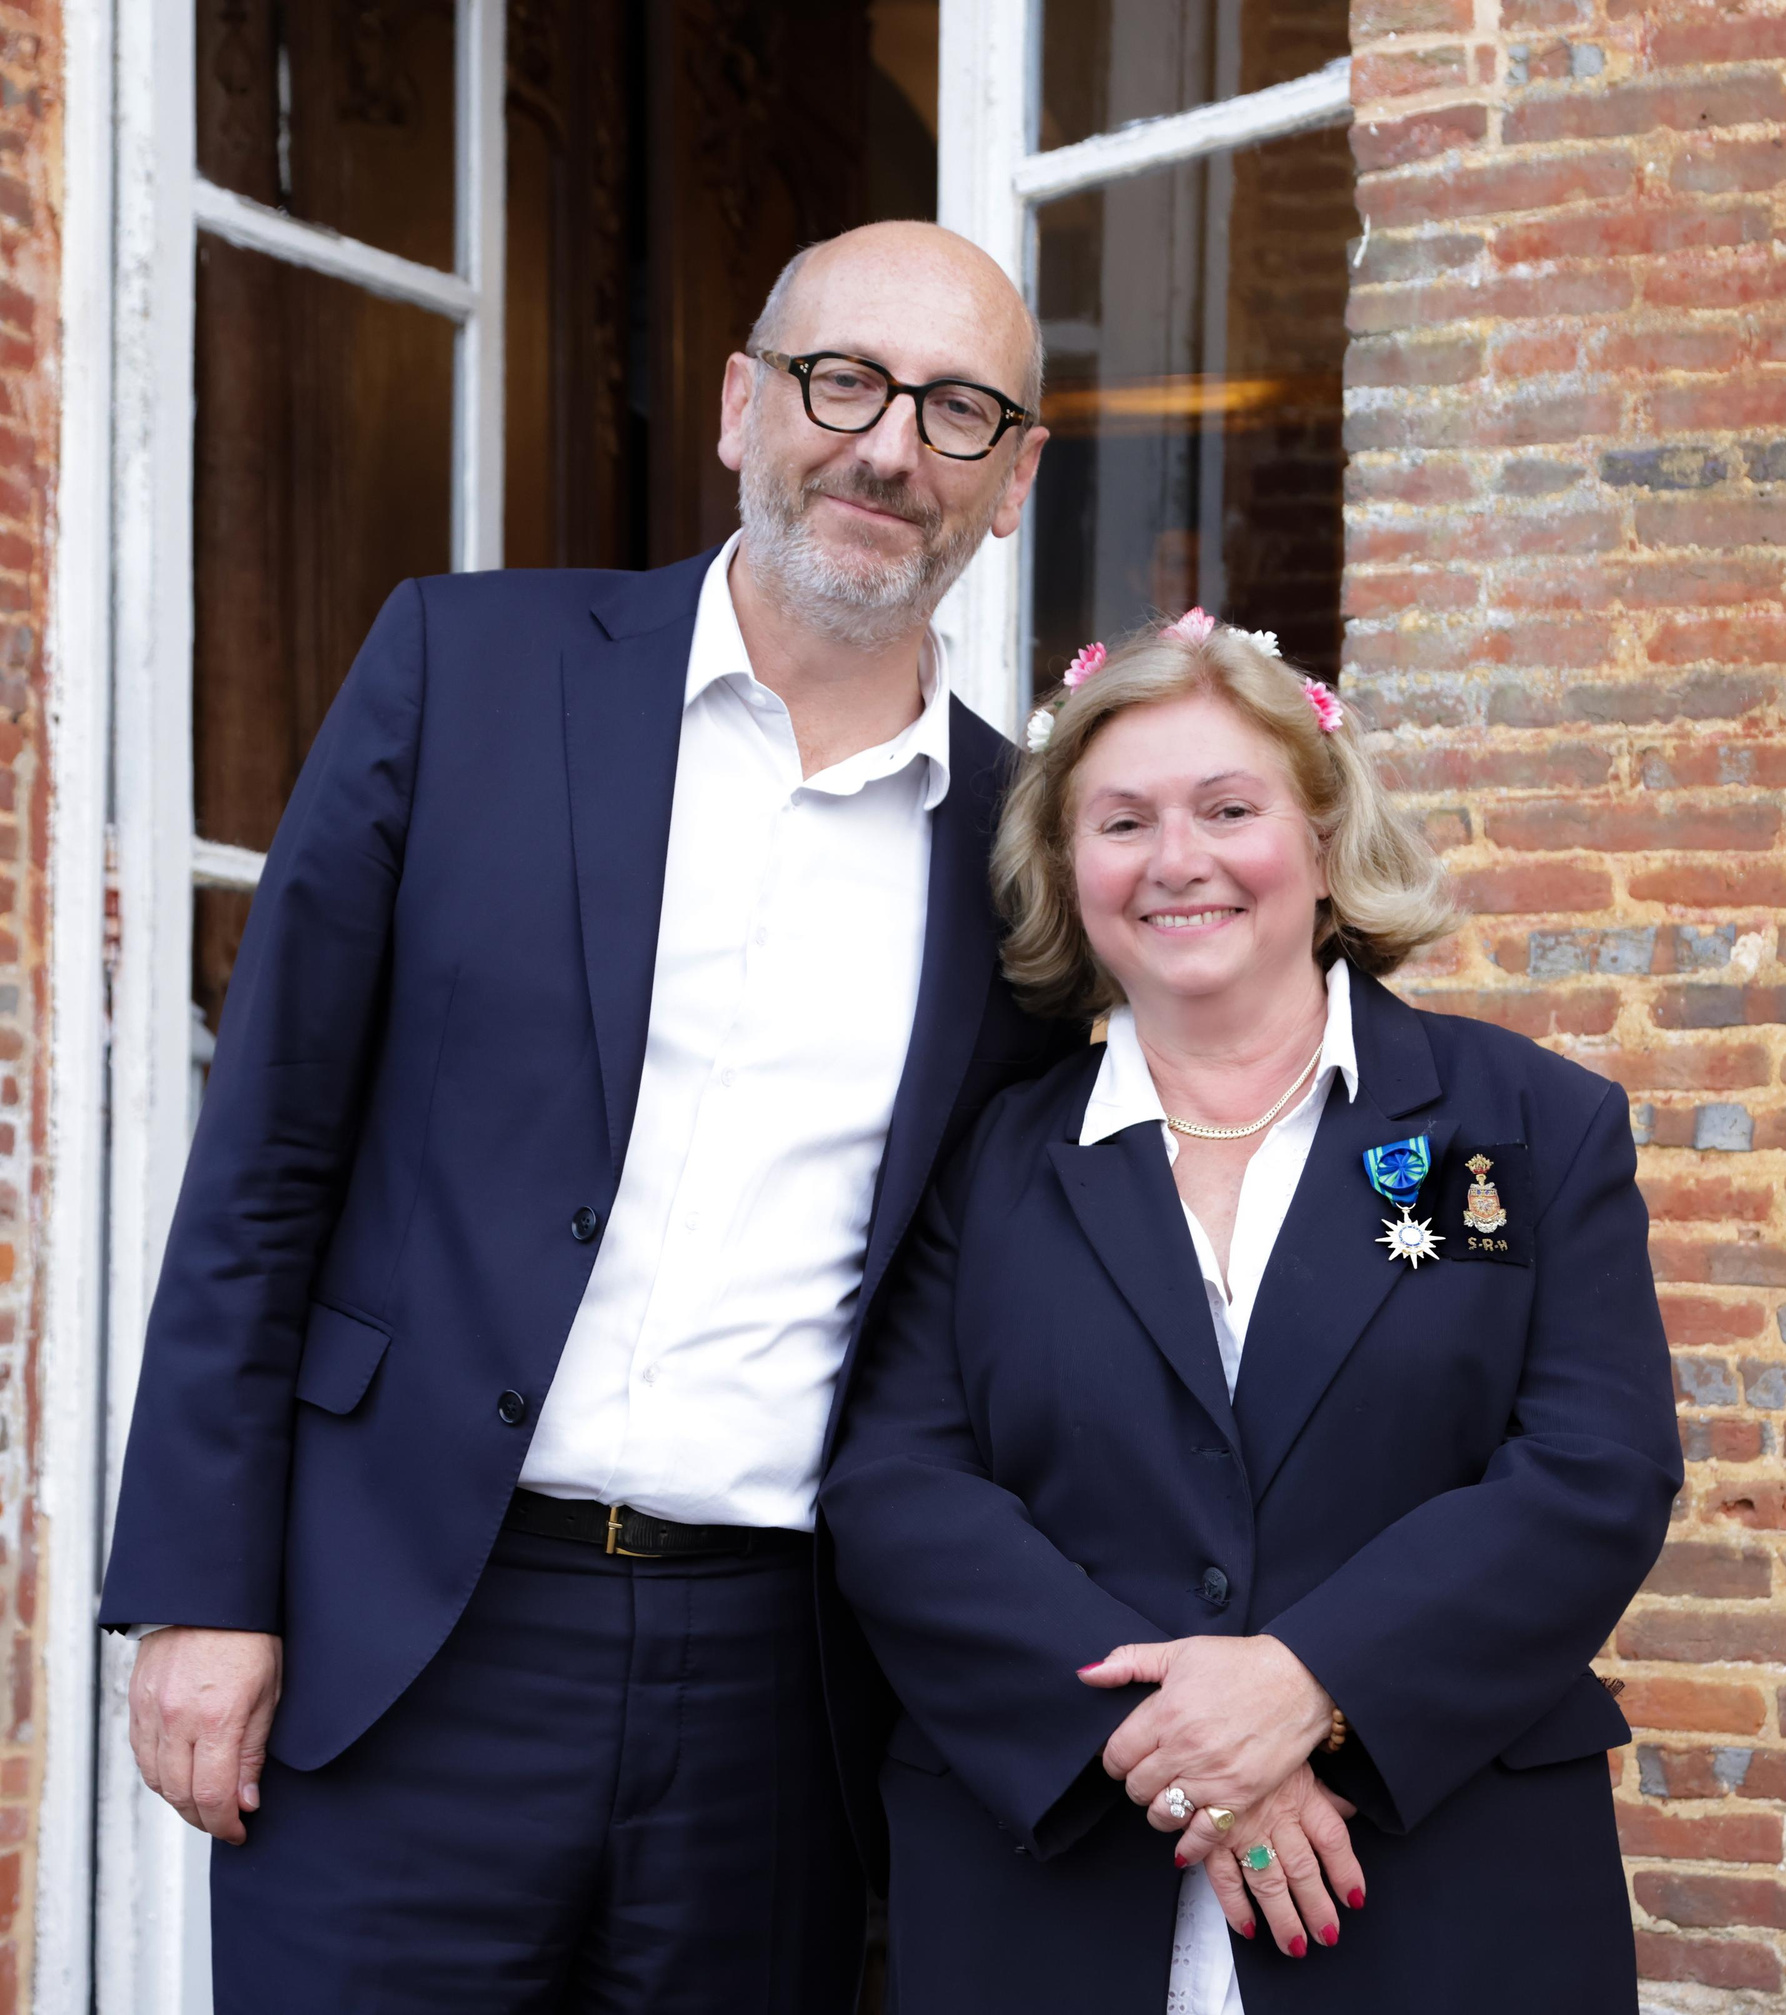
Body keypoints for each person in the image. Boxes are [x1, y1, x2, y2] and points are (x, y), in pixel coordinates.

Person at [97, 221, 1087, 2010]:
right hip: (402, 1637)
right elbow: (266, 1160)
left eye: (958, 413)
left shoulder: (1022, 858)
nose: (886, 448)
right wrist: (198, 1589)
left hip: (777, 1697)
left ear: (1013, 482)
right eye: (841, 381)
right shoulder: (461, 672)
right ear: (739, 406)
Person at [825, 613, 1682, 2012]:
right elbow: (899, 1487)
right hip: (1052, 1891)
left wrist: (1313, 1681)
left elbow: (1594, 1474)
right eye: (1122, 821)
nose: (1179, 862)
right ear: (1066, 865)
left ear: (1328, 837)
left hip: (1439, 1884)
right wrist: (1178, 1742)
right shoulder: (980, 1156)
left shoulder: (1529, 1126)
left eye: (1229, 809)